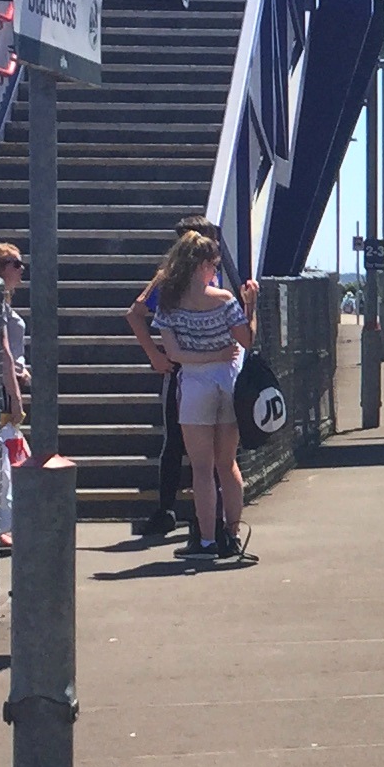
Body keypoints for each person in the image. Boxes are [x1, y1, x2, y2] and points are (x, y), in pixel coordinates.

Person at [144, 233, 257, 563]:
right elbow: (247, 340)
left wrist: (202, 357)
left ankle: (206, 541)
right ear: (204, 264)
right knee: (228, 464)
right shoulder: (223, 300)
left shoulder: (168, 300)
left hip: (193, 385)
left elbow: (175, 353)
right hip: (227, 381)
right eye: (214, 264)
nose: (215, 269)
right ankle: (232, 537)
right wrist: (250, 304)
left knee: (202, 468)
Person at [122, 214, 222, 540]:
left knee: (210, 446)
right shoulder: (167, 279)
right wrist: (155, 355)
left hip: (210, 367)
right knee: (177, 443)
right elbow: (136, 315)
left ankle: (206, 516)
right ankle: (169, 511)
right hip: (183, 370)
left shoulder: (213, 278)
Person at [0, 241, 32, 552]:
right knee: (4, 463)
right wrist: (15, 397)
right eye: (14, 263)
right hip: (0, 391)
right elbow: (2, 352)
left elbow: (12, 354)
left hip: (9, 382)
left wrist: (22, 370)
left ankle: (10, 524)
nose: (21, 268)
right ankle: (2, 528)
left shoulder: (4, 305)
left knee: (13, 459)